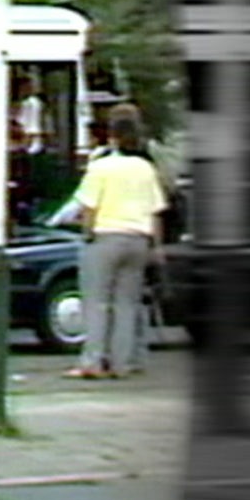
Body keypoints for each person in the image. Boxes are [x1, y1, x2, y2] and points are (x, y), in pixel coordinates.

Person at [66, 113, 167, 380]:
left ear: (112, 138)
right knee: (127, 304)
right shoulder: (146, 169)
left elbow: (89, 206)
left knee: (97, 302)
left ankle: (93, 361)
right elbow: (156, 210)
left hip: (106, 236)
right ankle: (123, 363)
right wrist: (156, 246)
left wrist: (87, 233)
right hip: (138, 239)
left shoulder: (101, 167)